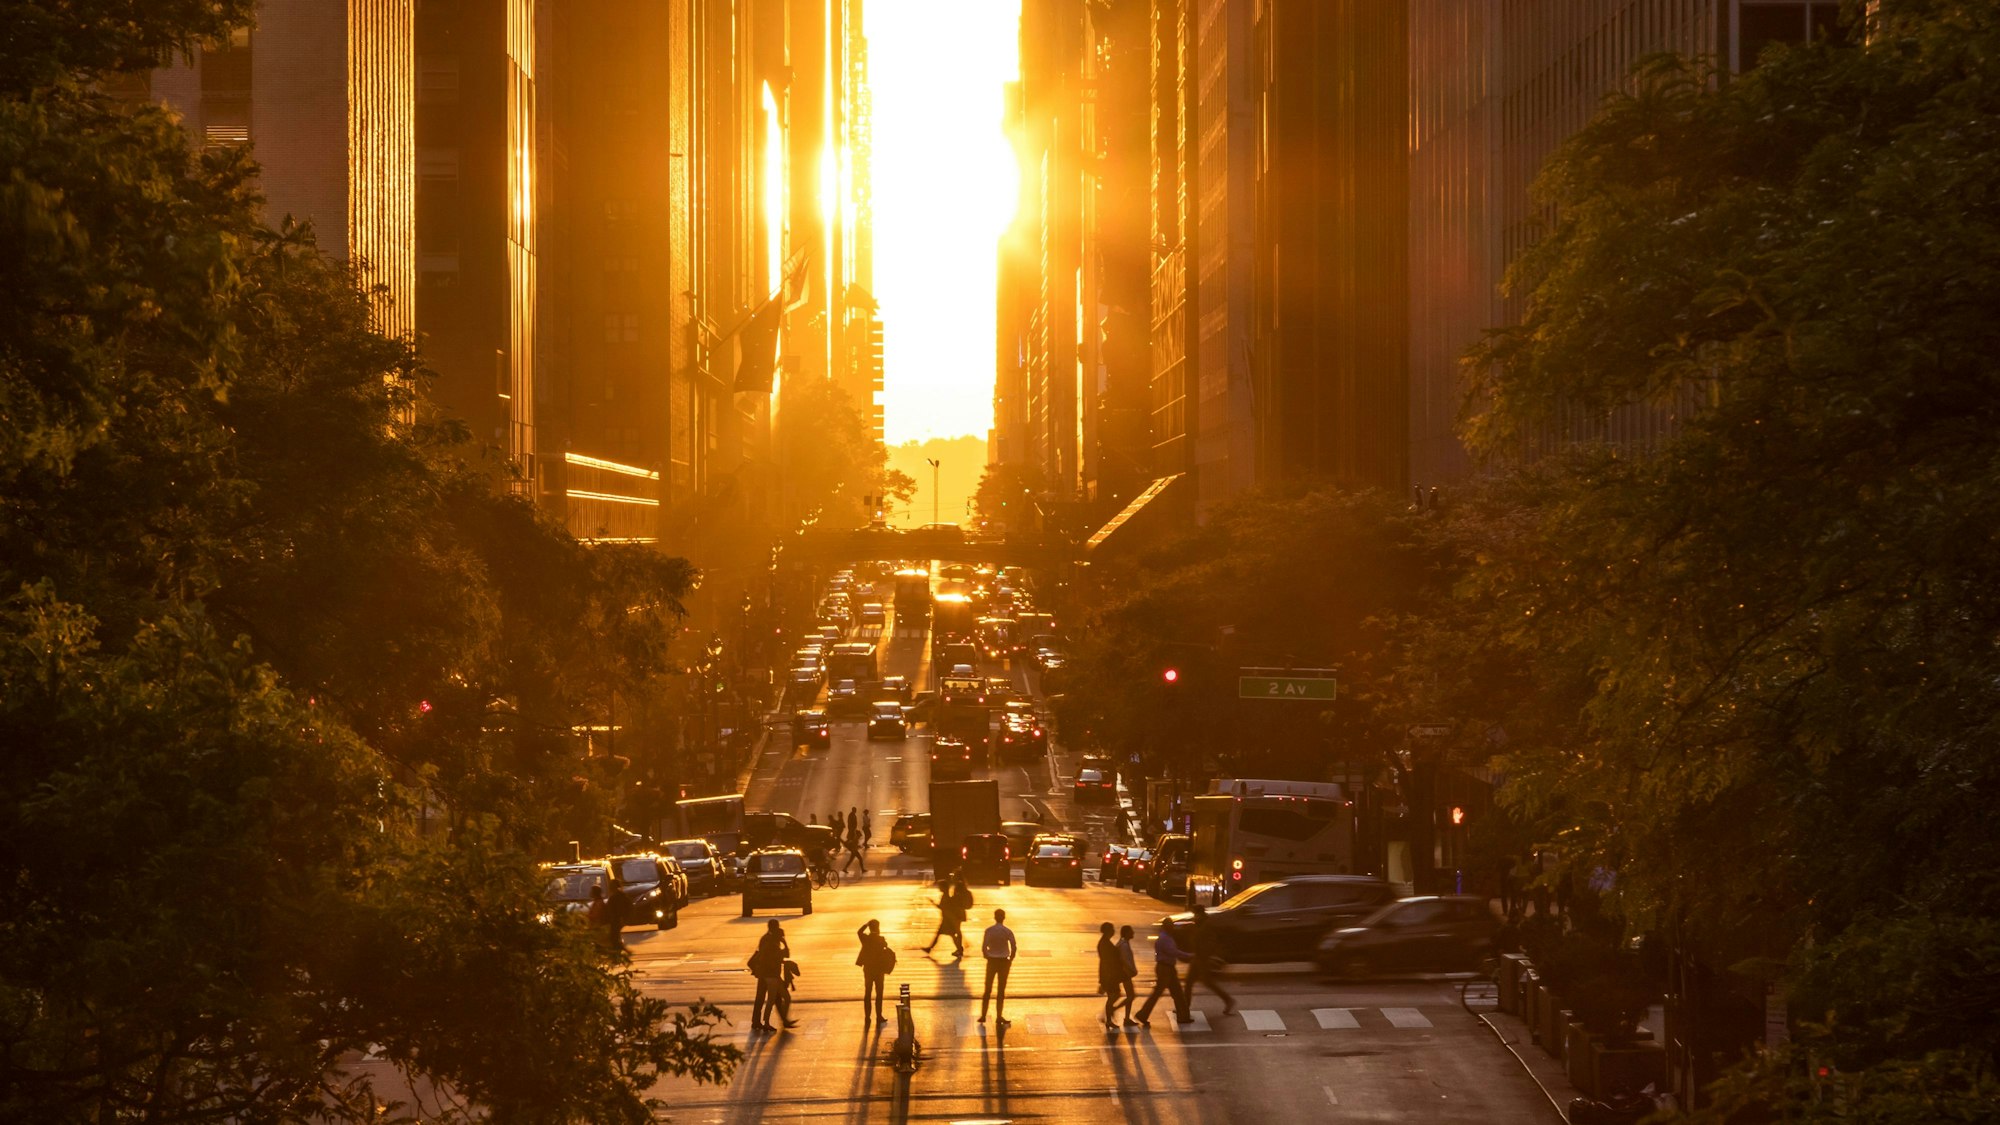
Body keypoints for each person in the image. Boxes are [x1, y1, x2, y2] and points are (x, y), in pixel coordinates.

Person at [1134, 921, 1192, 1027]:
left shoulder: (1165, 937)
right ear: (1167, 927)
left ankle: (1183, 1017)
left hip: (1167, 968)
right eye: (1171, 926)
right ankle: (1143, 1014)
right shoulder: (1165, 938)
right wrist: (1188, 955)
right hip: (1166, 969)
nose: (1173, 928)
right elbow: (1173, 952)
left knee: (1176, 993)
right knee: (1166, 993)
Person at [1183, 904, 1236, 1016]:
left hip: (1203, 958)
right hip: (1198, 957)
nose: (1193, 916)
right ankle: (1184, 1007)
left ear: (1199, 913)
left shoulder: (1206, 925)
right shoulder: (1200, 923)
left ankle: (1228, 1000)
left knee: (1199, 982)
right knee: (1197, 983)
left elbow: (1210, 941)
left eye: (1194, 914)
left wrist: (1205, 953)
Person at [749, 919, 798, 1031]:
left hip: (769, 973)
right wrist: (782, 948)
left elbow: (783, 955)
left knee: (773, 998)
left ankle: (779, 1021)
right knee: (769, 999)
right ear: (773, 927)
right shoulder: (769, 940)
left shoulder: (770, 939)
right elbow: (772, 956)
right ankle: (762, 1021)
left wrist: (783, 943)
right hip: (768, 974)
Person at [978, 908, 1017, 1026]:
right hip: (1004, 962)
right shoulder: (1007, 931)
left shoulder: (989, 930)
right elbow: (1014, 946)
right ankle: (999, 1016)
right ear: (1004, 917)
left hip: (992, 961)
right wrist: (1011, 959)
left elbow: (984, 946)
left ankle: (983, 1015)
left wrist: (987, 956)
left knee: (987, 989)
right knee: (1001, 990)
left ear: (994, 917)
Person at [1097, 922, 1137, 1030]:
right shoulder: (1105, 944)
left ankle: (1109, 1018)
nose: (1114, 931)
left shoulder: (1105, 943)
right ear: (1107, 931)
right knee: (1113, 996)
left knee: (1114, 995)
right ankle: (1109, 1018)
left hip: (1109, 974)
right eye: (1112, 929)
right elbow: (1110, 961)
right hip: (1110, 974)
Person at [856, 919, 896, 1023]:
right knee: (879, 994)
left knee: (868, 993)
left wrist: (866, 924)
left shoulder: (865, 939)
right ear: (878, 928)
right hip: (879, 970)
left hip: (868, 970)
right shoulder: (881, 939)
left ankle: (867, 1017)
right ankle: (879, 1016)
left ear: (870, 928)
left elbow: (859, 932)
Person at [923, 875, 971, 957]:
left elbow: (943, 907)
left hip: (947, 919)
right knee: (947, 934)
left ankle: (959, 949)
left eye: (940, 886)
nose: (939, 888)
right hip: (948, 918)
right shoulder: (948, 895)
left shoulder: (946, 896)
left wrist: (933, 903)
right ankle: (930, 948)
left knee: (949, 934)